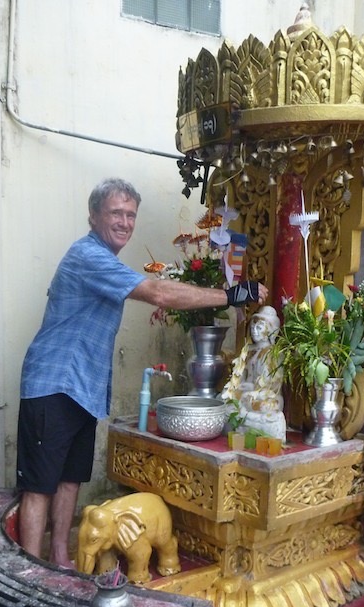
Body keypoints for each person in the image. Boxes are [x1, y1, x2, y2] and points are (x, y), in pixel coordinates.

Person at [16, 178, 268, 567]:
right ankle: (29, 572)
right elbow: (159, 293)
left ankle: (62, 562)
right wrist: (232, 295)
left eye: (130, 214)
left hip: (81, 389)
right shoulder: (88, 255)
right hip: (54, 384)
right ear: (94, 215)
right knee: (39, 486)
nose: (124, 221)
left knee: (69, 480)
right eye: (116, 212)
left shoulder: (106, 261)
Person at [236, 306, 286, 442]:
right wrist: (238, 385)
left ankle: (247, 419)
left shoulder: (274, 354)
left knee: (264, 406)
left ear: (270, 330)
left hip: (266, 395)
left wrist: (252, 389)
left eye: (259, 328)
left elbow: (272, 385)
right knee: (225, 399)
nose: (254, 331)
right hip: (248, 393)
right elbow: (241, 376)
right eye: (252, 328)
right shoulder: (249, 350)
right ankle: (247, 419)